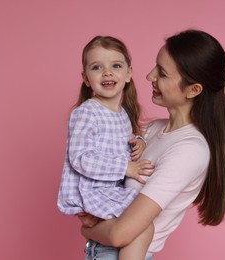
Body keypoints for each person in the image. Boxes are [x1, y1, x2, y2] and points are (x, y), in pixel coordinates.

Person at [80, 29, 225, 260]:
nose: (149, 76)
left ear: (193, 90)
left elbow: (120, 234)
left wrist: (87, 229)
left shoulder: (190, 150)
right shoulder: (151, 130)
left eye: (162, 73)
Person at [57, 35, 155, 260]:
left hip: (110, 192)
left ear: (129, 73)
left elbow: (120, 142)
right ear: (86, 78)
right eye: (97, 67)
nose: (107, 73)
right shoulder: (85, 113)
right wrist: (127, 168)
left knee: (142, 221)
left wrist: (139, 142)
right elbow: (81, 158)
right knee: (142, 221)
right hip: (94, 192)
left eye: (116, 66)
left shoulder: (123, 115)